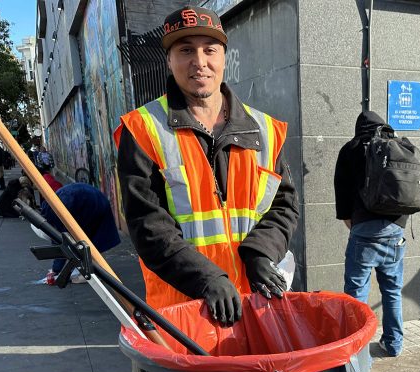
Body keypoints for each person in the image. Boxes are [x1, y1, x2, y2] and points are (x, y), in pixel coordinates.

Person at [115, 5, 299, 325]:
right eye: (186, 50)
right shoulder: (143, 130)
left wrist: (260, 253)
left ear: (224, 57)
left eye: (209, 49)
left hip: (253, 305)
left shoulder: (265, 130)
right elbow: (148, 225)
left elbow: (284, 205)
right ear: (169, 60)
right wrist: (206, 278)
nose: (199, 62)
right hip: (185, 311)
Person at [334, 111, 407, 357]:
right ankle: (394, 344)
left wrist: (356, 226)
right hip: (395, 231)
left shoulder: (350, 149)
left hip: (363, 231)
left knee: (356, 295)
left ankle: (359, 351)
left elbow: (342, 199)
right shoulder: (396, 144)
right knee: (392, 290)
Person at [40, 183, 121, 285]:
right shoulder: (48, 209)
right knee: (92, 239)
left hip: (89, 205)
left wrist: (56, 270)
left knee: (84, 241)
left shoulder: (54, 217)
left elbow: (60, 243)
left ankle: (89, 273)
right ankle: (90, 269)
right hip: (95, 199)